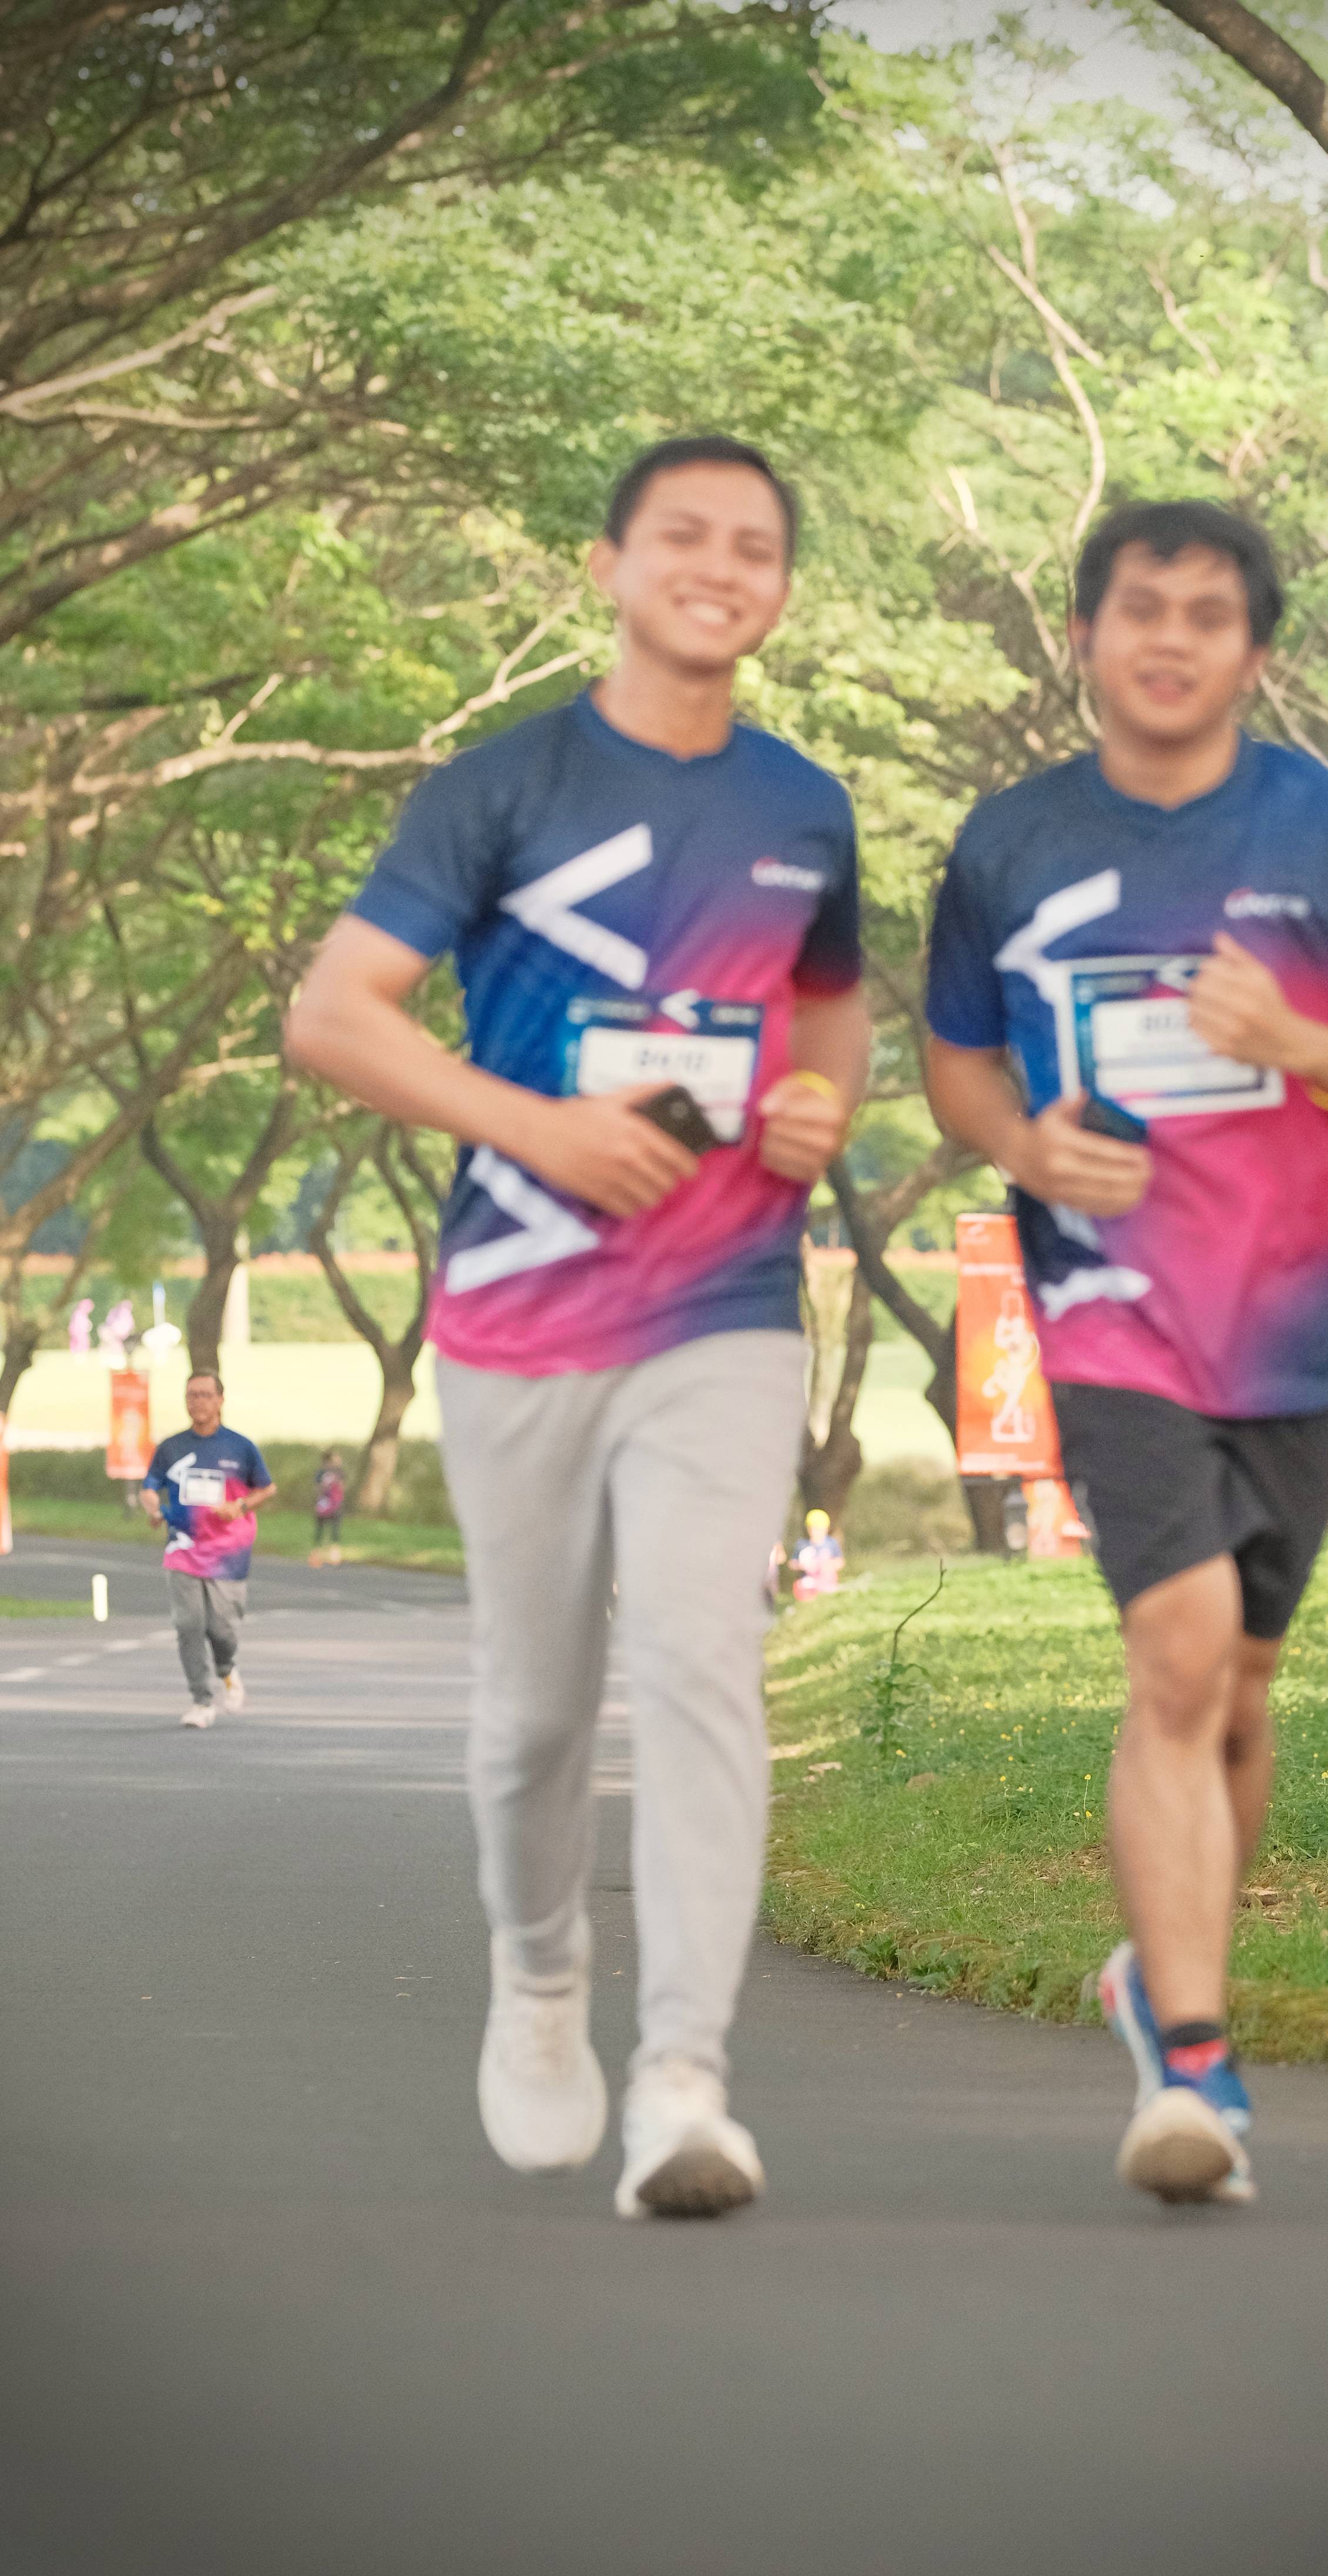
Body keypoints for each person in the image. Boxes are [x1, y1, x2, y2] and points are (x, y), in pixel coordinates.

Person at [286, 434, 869, 2221]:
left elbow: (832, 1013)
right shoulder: (502, 788)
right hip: (520, 1309)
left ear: (780, 589)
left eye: (753, 545)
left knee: (700, 1660)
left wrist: (821, 1107)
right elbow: (335, 1012)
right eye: (681, 534)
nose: (718, 565)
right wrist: (538, 1128)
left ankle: (684, 2079)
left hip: (727, 1302)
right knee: (536, 1712)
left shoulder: (802, 808)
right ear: (606, 563)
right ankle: (540, 1973)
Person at [924, 498, 1328, 2208]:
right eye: (1139, 606)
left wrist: (1302, 1040)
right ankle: (1196, 2060)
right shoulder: (1010, 841)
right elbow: (955, 1057)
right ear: (1085, 633)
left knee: (1238, 1686)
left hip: (1305, 1316)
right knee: (1177, 1647)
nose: (1168, 637)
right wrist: (1021, 1146)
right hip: (1107, 1305)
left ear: (1254, 651)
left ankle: (1152, 1973)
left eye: (1207, 613)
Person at [140, 1371, 276, 1729]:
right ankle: (201, 1700)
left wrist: (240, 1506)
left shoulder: (240, 1447)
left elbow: (267, 1489)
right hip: (183, 1548)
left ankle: (227, 1669)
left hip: (227, 1552)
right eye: (191, 1395)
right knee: (189, 1625)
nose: (197, 1402)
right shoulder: (171, 1448)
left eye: (204, 1394)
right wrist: (153, 1508)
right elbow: (150, 1487)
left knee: (221, 1631)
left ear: (220, 1400)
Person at [310, 1449, 347, 1567]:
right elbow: (317, 1489)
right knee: (320, 1530)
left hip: (335, 1505)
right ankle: (317, 1554)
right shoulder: (321, 1474)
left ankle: (335, 1555)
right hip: (324, 1504)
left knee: (335, 1530)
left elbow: (342, 1488)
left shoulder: (339, 1473)